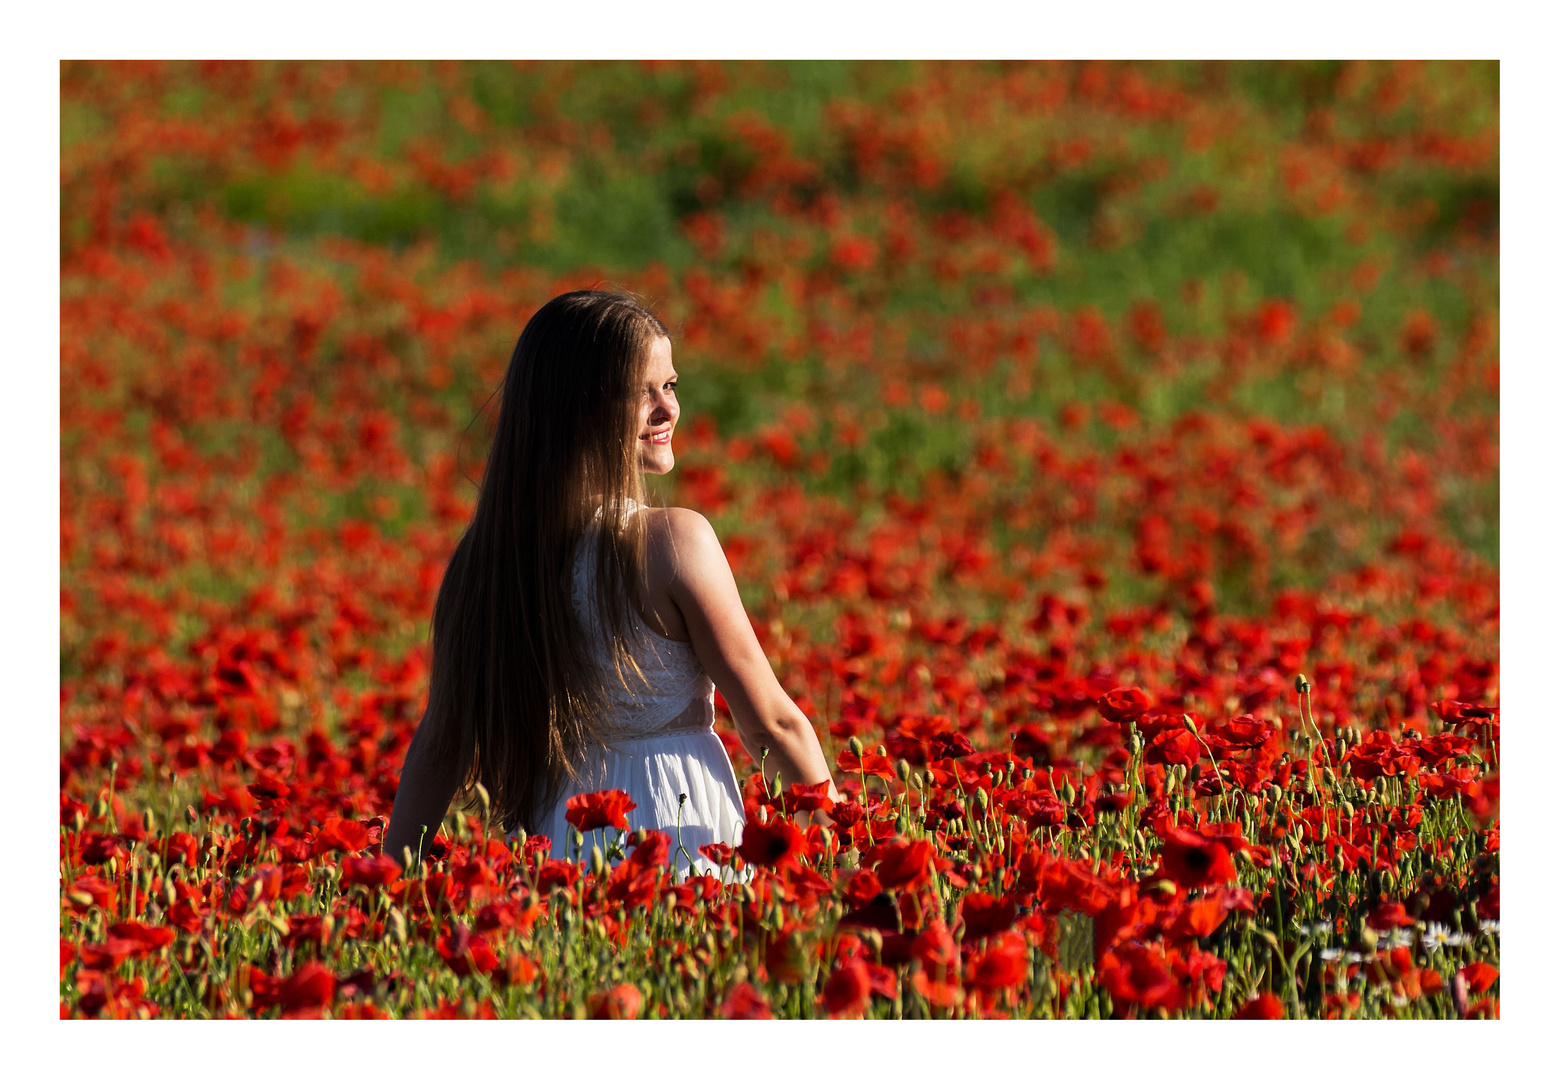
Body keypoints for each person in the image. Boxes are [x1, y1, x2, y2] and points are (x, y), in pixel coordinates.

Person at [384, 290, 837, 877]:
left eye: (670, 386)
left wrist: (386, 881)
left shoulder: (487, 560)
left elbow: (440, 746)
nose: (667, 409)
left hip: (562, 843)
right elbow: (769, 723)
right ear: (578, 408)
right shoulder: (674, 543)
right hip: (680, 833)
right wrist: (845, 851)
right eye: (640, 391)